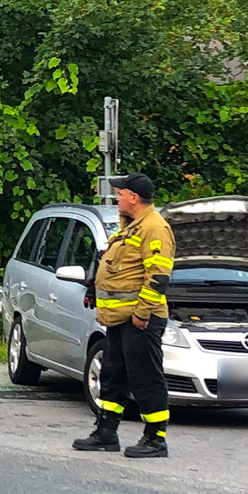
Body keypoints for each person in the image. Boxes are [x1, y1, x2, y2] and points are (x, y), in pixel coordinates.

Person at [73, 172, 175, 458]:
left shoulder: (154, 228)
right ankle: (106, 432)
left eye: (121, 193)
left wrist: (143, 314)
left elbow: (158, 276)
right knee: (113, 375)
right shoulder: (129, 227)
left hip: (140, 319)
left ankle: (156, 439)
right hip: (119, 319)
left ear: (134, 197)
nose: (117, 197)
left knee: (145, 377)